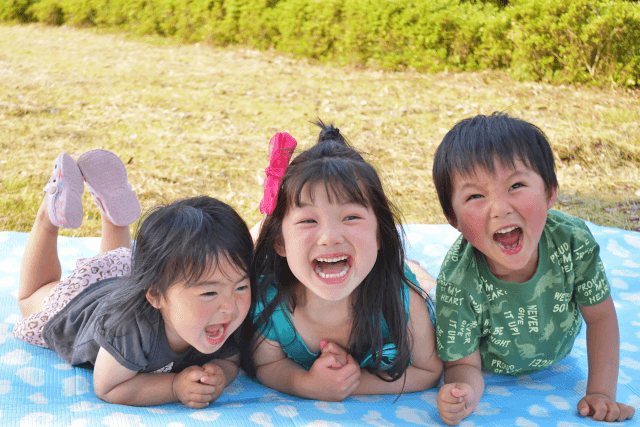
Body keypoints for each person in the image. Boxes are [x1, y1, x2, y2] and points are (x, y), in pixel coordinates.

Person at [432, 112, 635, 424]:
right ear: (453, 220)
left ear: (550, 192)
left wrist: (602, 393)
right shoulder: (457, 282)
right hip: (491, 366)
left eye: (516, 185)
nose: (500, 208)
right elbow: (465, 365)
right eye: (475, 195)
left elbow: (601, 317)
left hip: (559, 353)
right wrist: (462, 395)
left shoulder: (573, 242)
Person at [13, 150, 254, 408]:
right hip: (82, 303)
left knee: (121, 259)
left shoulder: (223, 315)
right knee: (31, 297)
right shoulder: (130, 329)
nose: (230, 306)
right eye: (209, 293)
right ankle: (48, 217)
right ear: (156, 295)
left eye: (241, 286)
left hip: (125, 275)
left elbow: (229, 359)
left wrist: (219, 373)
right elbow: (108, 387)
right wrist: (174, 387)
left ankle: (111, 210)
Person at [248, 122, 442, 401]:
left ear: (379, 235)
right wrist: (305, 383)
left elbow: (428, 370)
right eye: (308, 220)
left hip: (383, 271)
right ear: (280, 243)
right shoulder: (271, 306)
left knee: (418, 277)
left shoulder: (403, 300)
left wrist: (352, 383)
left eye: (351, 217)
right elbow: (267, 364)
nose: (330, 237)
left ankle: (413, 267)